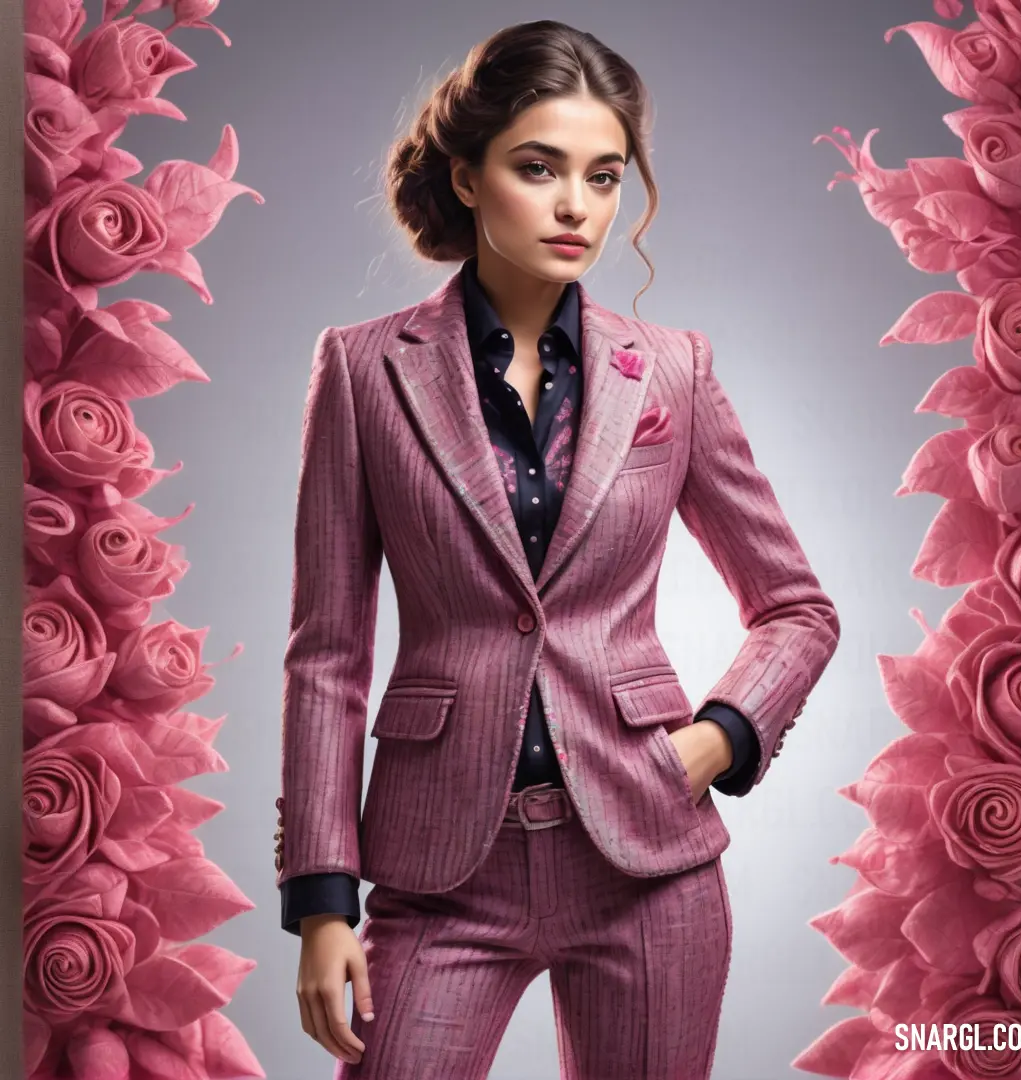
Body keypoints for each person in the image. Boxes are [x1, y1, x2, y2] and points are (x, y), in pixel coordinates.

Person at [273, 18, 840, 1079]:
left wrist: (716, 740)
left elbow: (797, 608)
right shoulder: (363, 373)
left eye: (604, 175)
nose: (577, 206)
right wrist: (320, 895)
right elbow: (327, 656)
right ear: (469, 176)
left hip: (646, 864)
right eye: (539, 169)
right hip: (443, 870)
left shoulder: (672, 370)